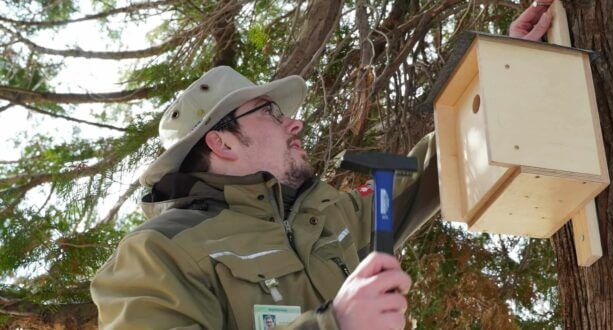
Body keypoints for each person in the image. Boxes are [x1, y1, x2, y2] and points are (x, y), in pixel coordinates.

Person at [91, 3, 552, 329]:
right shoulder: (158, 251)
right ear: (222, 141)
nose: (294, 122)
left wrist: (503, 69)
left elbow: (443, 164)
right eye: (270, 112)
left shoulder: (333, 217)